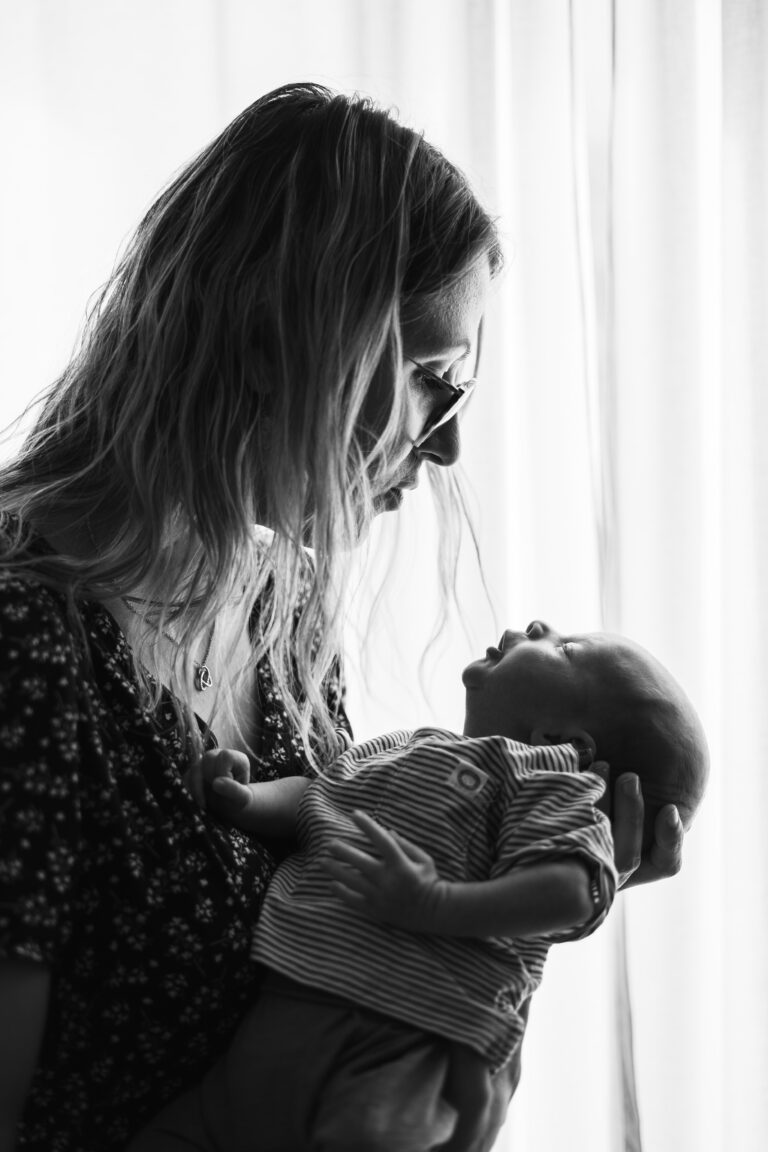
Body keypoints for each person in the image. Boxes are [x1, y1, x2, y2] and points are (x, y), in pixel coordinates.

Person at [0, 82, 684, 1152]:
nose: (448, 444)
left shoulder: (285, 608)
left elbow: (339, 971)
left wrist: (530, 884)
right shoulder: (25, 641)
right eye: (429, 380)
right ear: (285, 340)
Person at [130, 619, 708, 1152]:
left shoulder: (548, 781)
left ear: (564, 740)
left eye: (565, 647)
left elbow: (575, 890)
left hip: (403, 1049)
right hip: (282, 1018)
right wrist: (248, 799)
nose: (536, 626)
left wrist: (435, 902)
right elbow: (319, 798)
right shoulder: (409, 747)